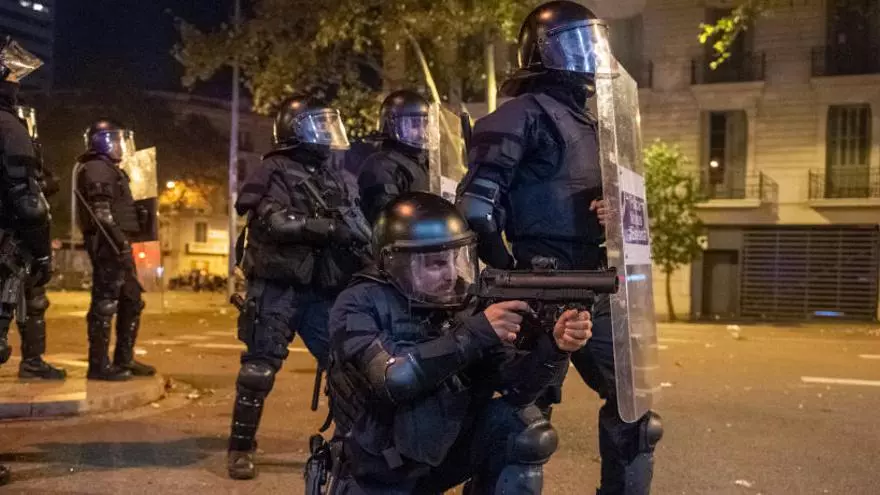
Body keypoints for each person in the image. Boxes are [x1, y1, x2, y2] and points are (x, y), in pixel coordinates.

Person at [455, 2, 663, 493]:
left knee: (636, 414)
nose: (588, 54)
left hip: (595, 281)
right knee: (522, 421)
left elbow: (619, 205)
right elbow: (476, 209)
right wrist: (513, 275)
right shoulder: (519, 115)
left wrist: (614, 211)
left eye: (592, 41)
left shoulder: (596, 125)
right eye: (574, 42)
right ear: (540, 51)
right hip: (539, 283)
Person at [327, 192, 593, 494]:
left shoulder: (461, 300)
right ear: (398, 263)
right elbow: (393, 379)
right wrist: (475, 334)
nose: (452, 274)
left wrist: (555, 348)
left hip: (439, 452)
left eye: (457, 259)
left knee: (526, 432)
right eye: (436, 264)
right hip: (378, 469)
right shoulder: (358, 303)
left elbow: (517, 390)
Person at [228, 96, 368, 480]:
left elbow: (357, 226)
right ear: (295, 128)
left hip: (322, 290)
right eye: (317, 124)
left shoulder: (336, 176)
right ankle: (240, 447)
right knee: (259, 370)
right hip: (277, 288)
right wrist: (324, 228)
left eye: (327, 123)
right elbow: (271, 221)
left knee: (345, 364)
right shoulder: (273, 169)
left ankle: (351, 444)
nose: (325, 132)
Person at [0, 34, 55, 485]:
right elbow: (28, 203)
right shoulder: (9, 126)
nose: (17, 84)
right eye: (13, 76)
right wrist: (42, 251)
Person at [74, 119, 155, 381]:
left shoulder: (112, 169)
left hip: (121, 243)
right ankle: (98, 365)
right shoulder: (97, 168)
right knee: (105, 303)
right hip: (108, 244)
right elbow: (102, 215)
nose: (122, 146)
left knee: (132, 299)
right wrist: (120, 245)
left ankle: (124, 359)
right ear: (103, 141)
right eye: (117, 140)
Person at [357, 90, 433, 224]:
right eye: (415, 125)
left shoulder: (429, 161)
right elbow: (389, 219)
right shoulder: (380, 166)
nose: (422, 133)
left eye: (425, 125)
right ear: (391, 126)